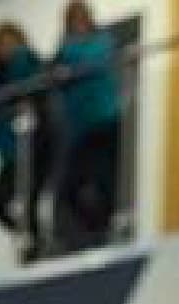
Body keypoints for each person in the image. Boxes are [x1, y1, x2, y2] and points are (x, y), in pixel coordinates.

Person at [0, 22, 57, 263]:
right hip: (11, 148)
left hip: (32, 144)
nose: (2, 48)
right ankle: (34, 243)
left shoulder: (26, 61)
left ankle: (37, 248)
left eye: (6, 42)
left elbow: (32, 85)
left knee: (28, 200)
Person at [51, 0, 124, 250]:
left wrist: (66, 64)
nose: (78, 25)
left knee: (103, 179)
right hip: (80, 126)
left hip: (103, 120)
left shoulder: (100, 43)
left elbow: (90, 63)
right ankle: (90, 231)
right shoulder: (65, 52)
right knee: (70, 186)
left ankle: (101, 230)